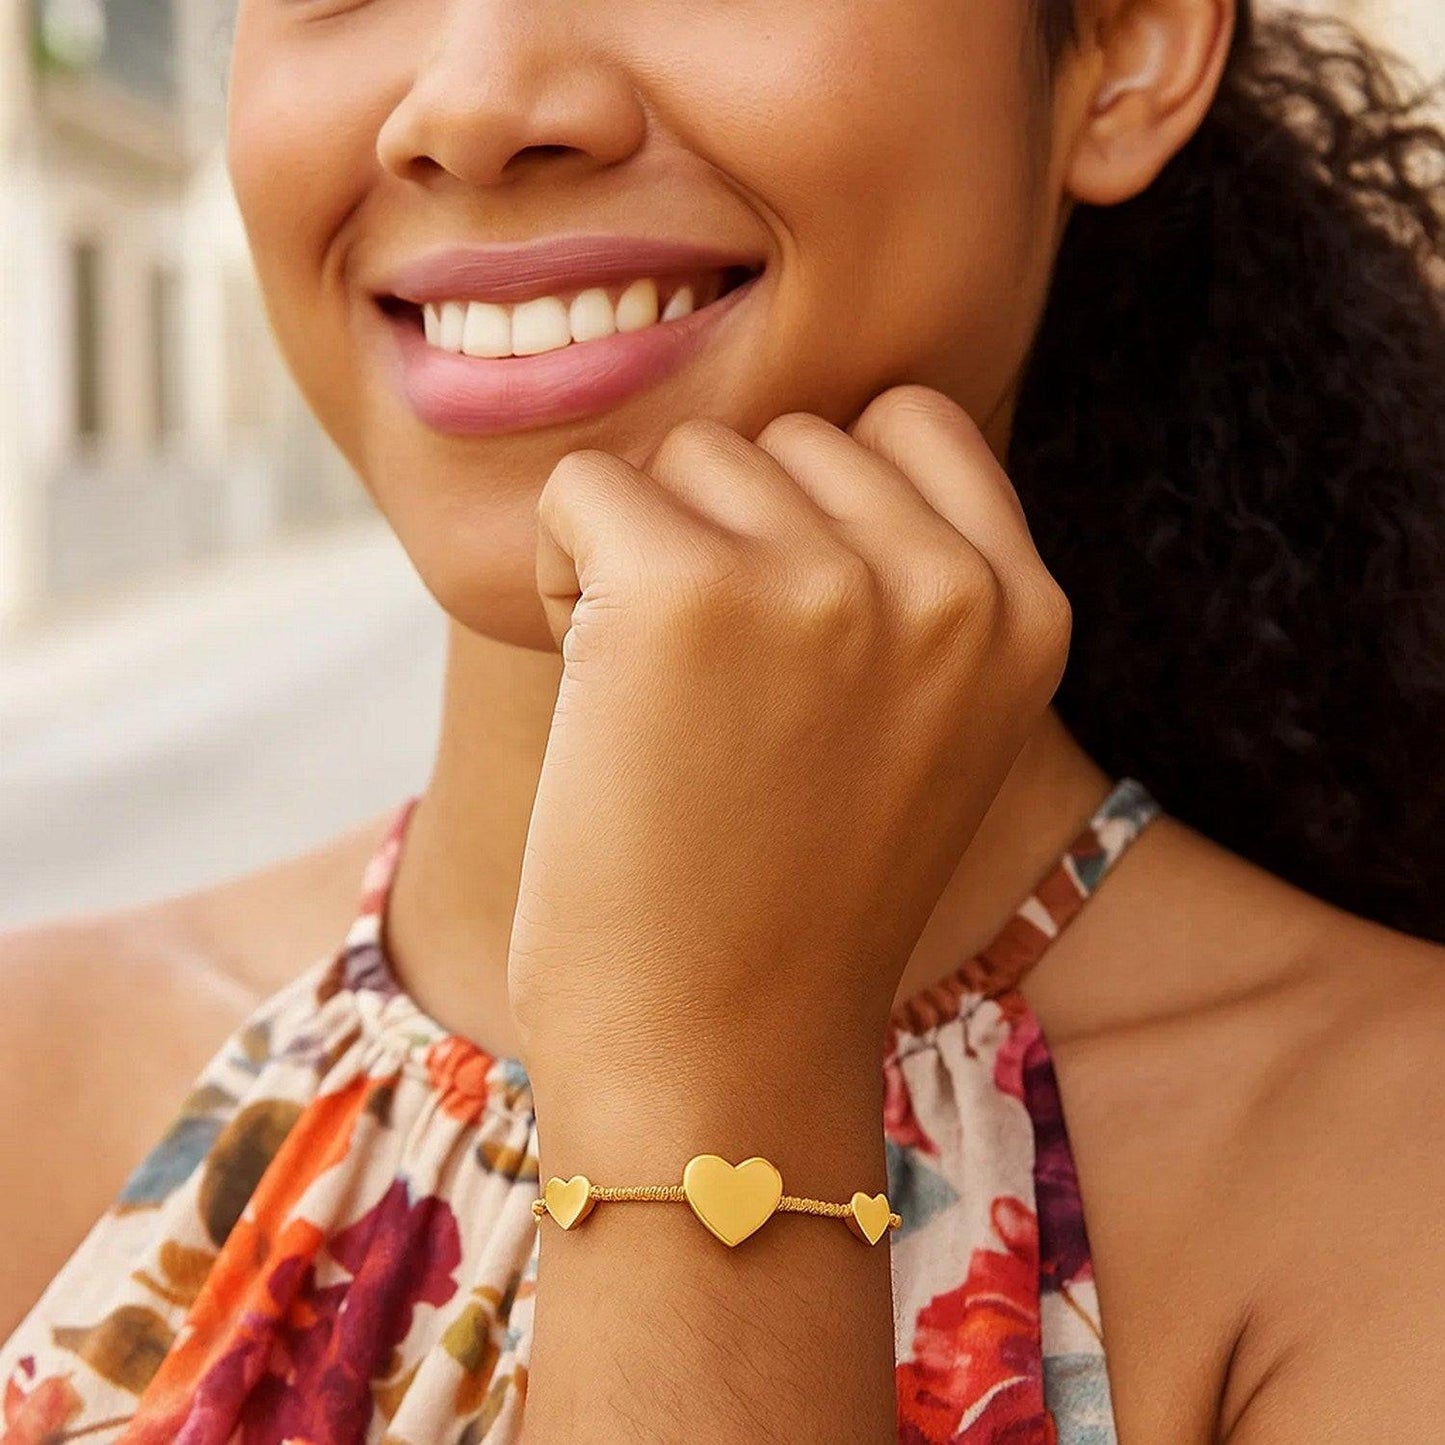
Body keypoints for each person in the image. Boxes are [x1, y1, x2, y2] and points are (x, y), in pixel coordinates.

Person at [2, 0, 1442, 1438]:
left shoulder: (1391, 1183)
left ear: (1122, 45)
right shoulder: (31, 1069)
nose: (475, 101)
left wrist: (714, 1079)